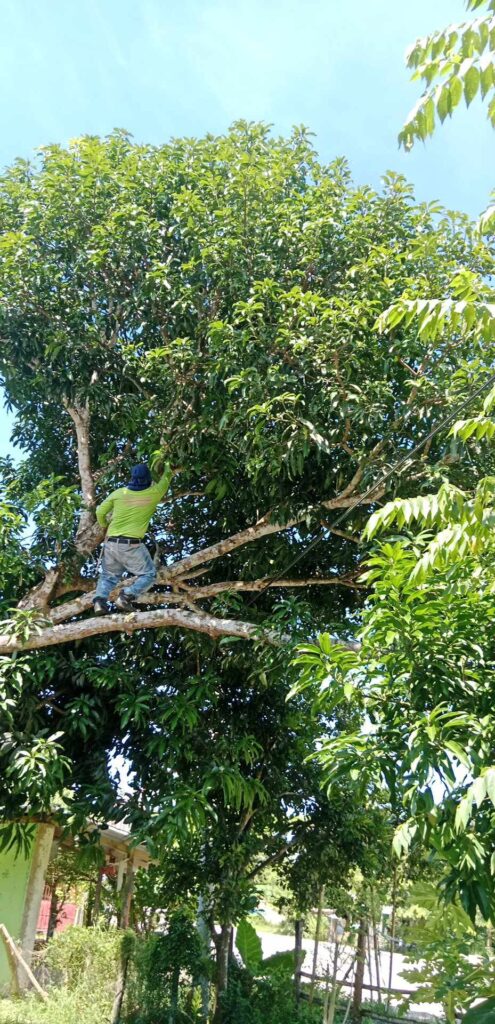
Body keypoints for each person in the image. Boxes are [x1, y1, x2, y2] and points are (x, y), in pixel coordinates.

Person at [92, 461, 175, 615]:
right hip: (131, 544)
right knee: (149, 575)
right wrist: (165, 460)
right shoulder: (154, 493)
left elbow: (99, 512)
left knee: (108, 576)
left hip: (110, 543)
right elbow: (167, 476)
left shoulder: (119, 493)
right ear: (149, 479)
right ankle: (126, 596)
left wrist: (104, 524)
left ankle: (99, 602)